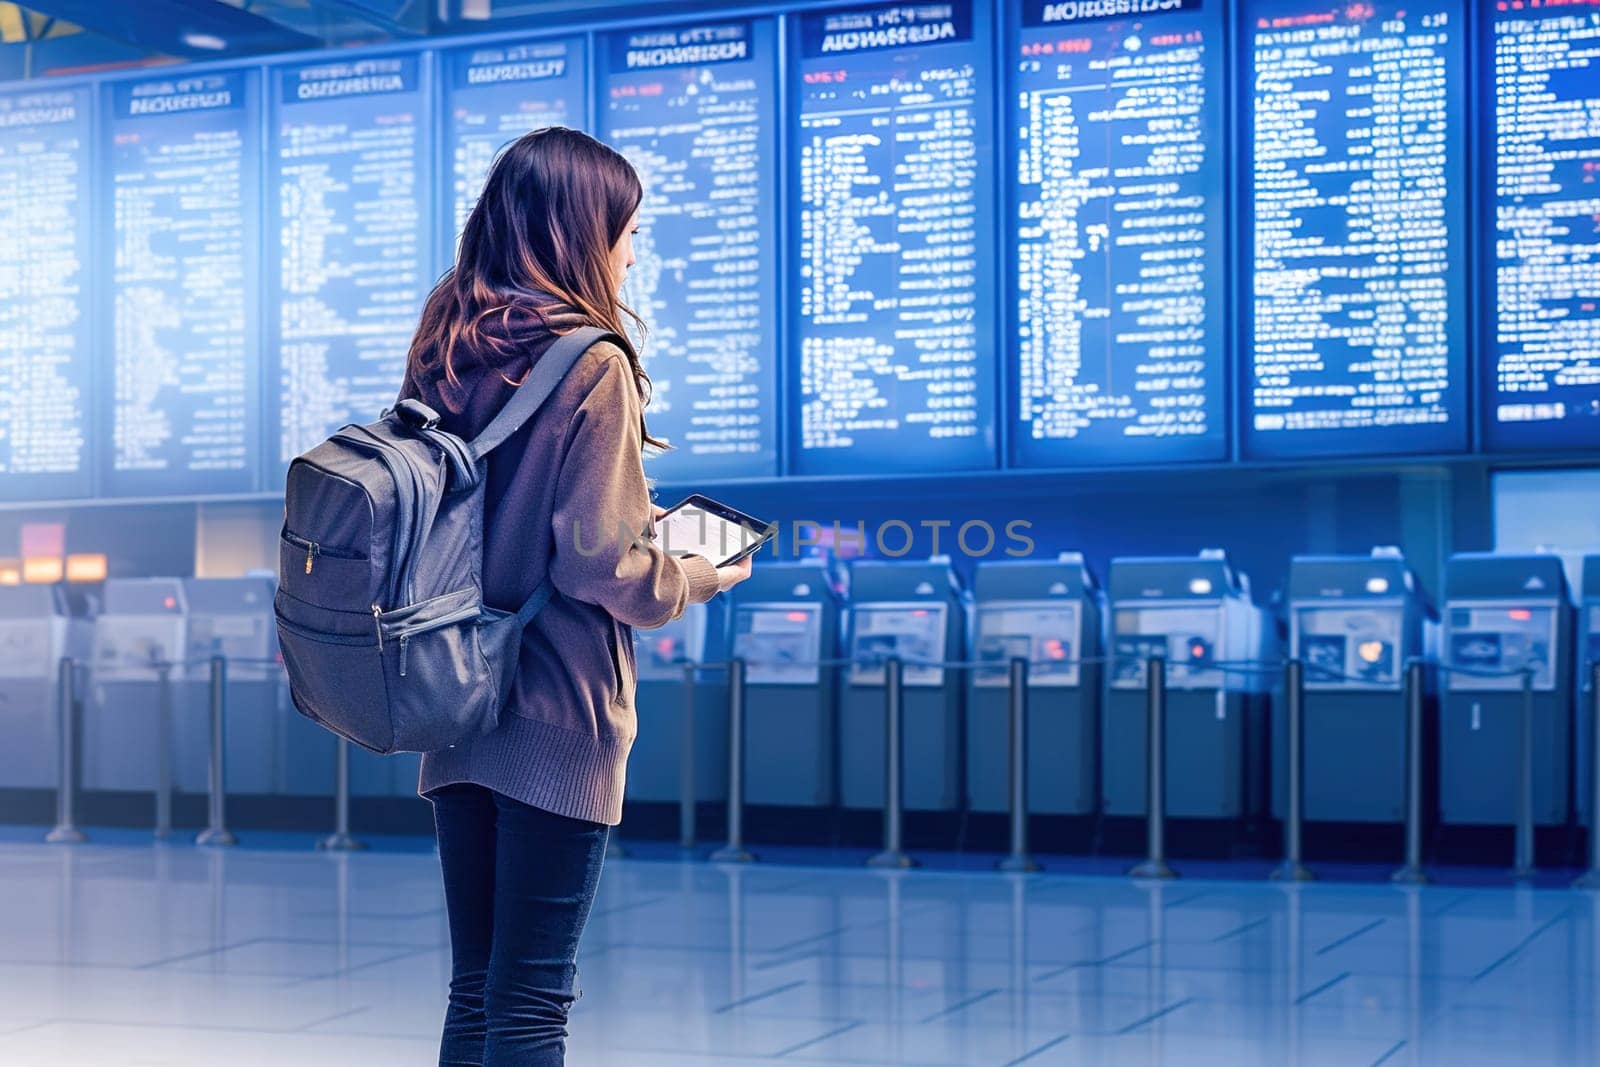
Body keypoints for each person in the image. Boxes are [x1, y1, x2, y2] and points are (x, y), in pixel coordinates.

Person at [397, 126, 752, 1066]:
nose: (633, 254)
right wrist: (699, 568)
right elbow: (602, 566)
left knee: (475, 989)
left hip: (456, 700)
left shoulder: (447, 342)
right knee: (533, 1002)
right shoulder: (595, 363)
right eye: (628, 232)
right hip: (558, 704)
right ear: (580, 234)